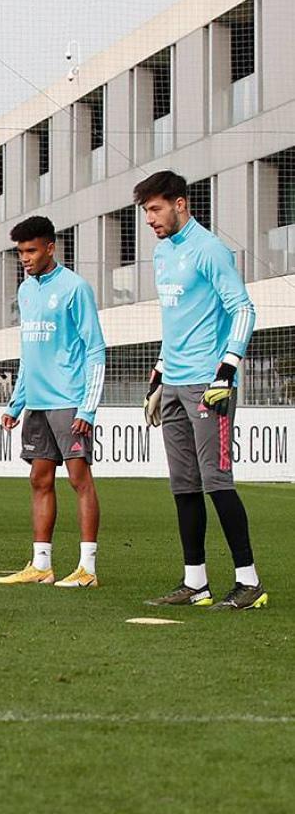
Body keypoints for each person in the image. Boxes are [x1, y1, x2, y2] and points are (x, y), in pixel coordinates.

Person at [136, 170, 266, 609]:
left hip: (207, 385)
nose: (150, 219)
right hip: (172, 384)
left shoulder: (209, 250)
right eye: (146, 211)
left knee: (216, 481)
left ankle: (249, 583)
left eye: (155, 209)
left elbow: (243, 310)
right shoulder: (161, 254)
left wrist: (227, 370)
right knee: (184, 486)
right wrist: (158, 372)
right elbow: (177, 319)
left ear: (180, 204)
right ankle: (196, 583)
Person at [0, 216, 105, 589]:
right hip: (38, 403)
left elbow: (95, 349)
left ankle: (87, 568)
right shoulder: (26, 291)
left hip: (70, 401)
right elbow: (29, 353)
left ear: (50, 248)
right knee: (39, 479)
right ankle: (42, 564)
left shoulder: (75, 288)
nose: (24, 258)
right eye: (20, 252)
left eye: (31, 250)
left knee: (79, 480)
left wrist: (88, 408)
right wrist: (16, 403)